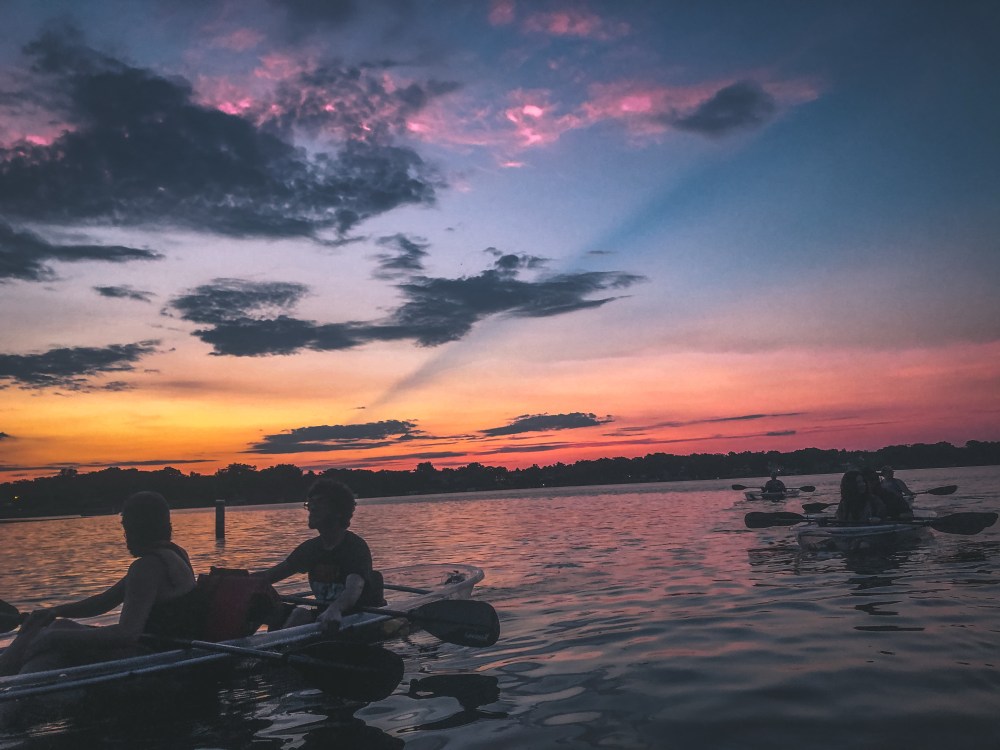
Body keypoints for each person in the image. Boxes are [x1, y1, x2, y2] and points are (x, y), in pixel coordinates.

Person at [0, 491, 202, 676]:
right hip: (158, 650)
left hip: (152, 657)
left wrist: (54, 638)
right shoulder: (175, 554)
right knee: (56, 626)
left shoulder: (146, 567)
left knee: (52, 640)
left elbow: (127, 634)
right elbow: (103, 602)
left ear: (136, 528)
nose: (125, 537)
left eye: (126, 529)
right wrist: (54, 611)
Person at [254, 479, 378, 630]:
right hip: (323, 616)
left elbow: (353, 590)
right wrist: (234, 581)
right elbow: (269, 577)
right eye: (310, 502)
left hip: (355, 619)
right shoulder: (311, 548)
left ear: (338, 512)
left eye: (319, 502)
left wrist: (335, 609)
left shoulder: (355, 547)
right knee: (281, 611)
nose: (312, 507)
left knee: (300, 614)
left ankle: (278, 650)